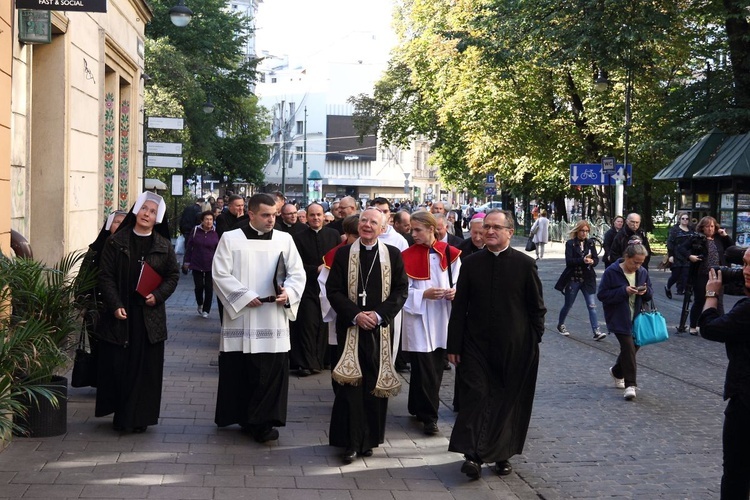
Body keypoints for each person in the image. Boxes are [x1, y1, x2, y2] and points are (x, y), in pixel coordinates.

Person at [447, 209, 546, 479]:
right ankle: (473, 456)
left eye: (496, 228)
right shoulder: (471, 263)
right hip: (475, 344)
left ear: (509, 233)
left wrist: (533, 339)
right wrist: (453, 345)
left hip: (515, 347)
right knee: (477, 395)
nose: (489, 231)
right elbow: (460, 307)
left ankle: (502, 454)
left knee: (506, 401)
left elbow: (537, 307)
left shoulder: (525, 265)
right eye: (486, 227)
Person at [211, 193, 306, 443]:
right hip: (242, 316)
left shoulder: (285, 239)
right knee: (242, 370)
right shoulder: (230, 239)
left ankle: (263, 423)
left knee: (271, 371)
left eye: (274, 214)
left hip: (272, 316)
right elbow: (219, 274)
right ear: (250, 214)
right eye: (265, 215)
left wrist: (290, 292)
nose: (271, 219)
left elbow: (298, 273)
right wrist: (243, 296)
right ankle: (244, 417)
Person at [325, 207, 408, 463]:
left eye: (373, 222)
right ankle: (349, 442)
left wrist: (379, 315)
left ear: (383, 228)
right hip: (351, 328)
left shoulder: (392, 254)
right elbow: (334, 290)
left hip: (379, 330)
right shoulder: (343, 254)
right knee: (349, 385)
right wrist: (356, 315)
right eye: (364, 220)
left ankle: (369, 439)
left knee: (373, 384)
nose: (367, 225)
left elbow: (400, 290)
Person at [96, 192, 180, 432]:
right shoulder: (116, 241)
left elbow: (172, 276)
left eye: (152, 212)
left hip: (149, 315)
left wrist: (159, 295)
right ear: (136, 211)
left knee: (146, 369)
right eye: (144, 209)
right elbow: (106, 276)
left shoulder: (163, 246)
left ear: (158, 218)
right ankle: (122, 417)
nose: (147, 214)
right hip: (122, 314)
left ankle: (141, 417)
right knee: (121, 366)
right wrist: (115, 304)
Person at [401, 211, 461, 435]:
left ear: (431, 228)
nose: (413, 234)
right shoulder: (406, 255)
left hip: (443, 316)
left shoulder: (451, 253)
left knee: (434, 366)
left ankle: (418, 406)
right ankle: (429, 417)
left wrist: (456, 293)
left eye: (417, 230)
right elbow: (400, 290)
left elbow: (461, 281)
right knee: (424, 366)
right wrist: (422, 294)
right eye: (411, 230)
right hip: (418, 317)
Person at [698, 250, 750, 499]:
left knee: (736, 473)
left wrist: (711, 294)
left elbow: (709, 328)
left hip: (745, 402)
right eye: (745, 264)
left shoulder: (747, 310)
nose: (745, 271)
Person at [597, 240, 652, 401]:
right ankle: (630, 385)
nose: (638, 266)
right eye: (635, 262)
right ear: (626, 257)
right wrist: (624, 291)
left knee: (634, 348)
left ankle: (616, 371)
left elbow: (650, 293)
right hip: (619, 317)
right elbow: (602, 295)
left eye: (641, 263)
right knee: (628, 348)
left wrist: (645, 292)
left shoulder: (642, 272)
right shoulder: (612, 272)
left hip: (638, 317)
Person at [290, 203, 340, 376]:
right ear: (307, 217)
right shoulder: (298, 237)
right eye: (312, 215)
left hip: (329, 287)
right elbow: (296, 263)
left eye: (319, 215)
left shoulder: (333, 235)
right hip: (308, 287)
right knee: (308, 324)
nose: (316, 218)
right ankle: (306, 363)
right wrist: (314, 269)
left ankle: (322, 360)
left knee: (325, 324)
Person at [680, 216, 734, 335]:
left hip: (718, 274)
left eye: (712, 226)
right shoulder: (697, 238)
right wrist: (690, 256)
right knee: (700, 299)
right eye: (707, 226)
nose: (709, 229)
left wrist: (725, 235)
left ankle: (721, 327)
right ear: (702, 227)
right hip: (702, 273)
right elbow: (681, 248)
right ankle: (694, 325)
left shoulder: (719, 238)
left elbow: (731, 247)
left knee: (718, 301)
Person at [554, 220, 605, 340]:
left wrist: (592, 262)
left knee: (592, 305)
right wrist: (582, 260)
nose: (585, 233)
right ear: (577, 231)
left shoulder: (590, 243)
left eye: (587, 231)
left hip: (587, 278)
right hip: (574, 278)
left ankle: (596, 330)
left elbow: (596, 259)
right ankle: (560, 324)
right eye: (582, 230)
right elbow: (569, 262)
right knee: (568, 304)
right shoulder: (570, 243)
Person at [182, 210, 220, 318]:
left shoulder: (216, 231)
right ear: (202, 221)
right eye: (206, 219)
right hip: (197, 262)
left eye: (211, 219)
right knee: (199, 286)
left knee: (209, 288)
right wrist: (187, 261)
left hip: (211, 264)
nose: (209, 222)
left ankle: (206, 310)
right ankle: (200, 303)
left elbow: (219, 249)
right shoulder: (195, 230)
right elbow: (189, 247)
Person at [665, 211, 694, 298]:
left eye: (687, 219)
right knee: (675, 275)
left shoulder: (691, 230)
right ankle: (668, 287)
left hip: (687, 255)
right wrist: (671, 255)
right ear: (679, 219)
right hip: (677, 255)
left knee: (686, 275)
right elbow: (670, 243)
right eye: (683, 219)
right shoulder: (674, 230)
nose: (685, 220)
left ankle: (687, 293)